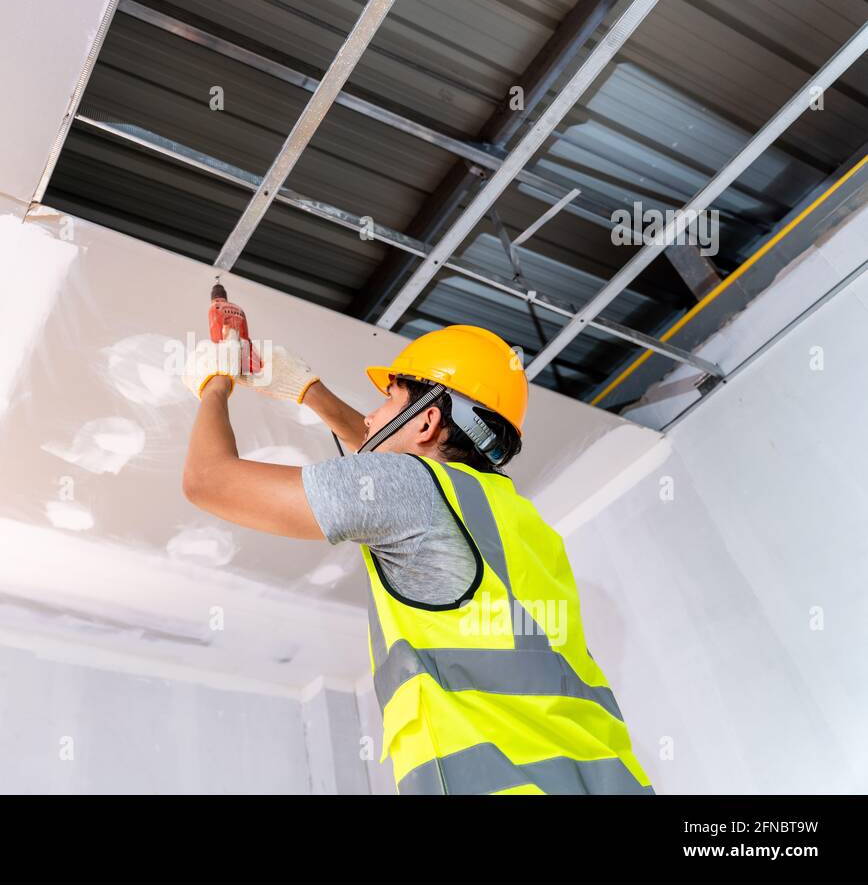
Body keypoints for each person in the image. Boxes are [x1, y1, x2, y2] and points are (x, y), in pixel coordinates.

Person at [181, 323, 652, 795]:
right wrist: (308, 391)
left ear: (427, 423)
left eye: (387, 399)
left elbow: (207, 480)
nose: (369, 416)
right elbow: (397, 471)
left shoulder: (409, 492)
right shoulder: (516, 520)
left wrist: (214, 386)